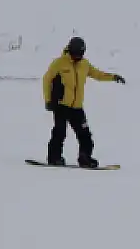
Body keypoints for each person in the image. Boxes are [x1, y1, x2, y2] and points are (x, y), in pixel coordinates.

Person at [42, 36, 125, 167]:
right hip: (61, 105)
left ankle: (85, 158)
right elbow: (46, 80)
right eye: (76, 54)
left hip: (77, 107)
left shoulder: (84, 64)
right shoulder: (59, 63)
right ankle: (54, 157)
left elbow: (98, 74)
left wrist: (113, 77)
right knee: (59, 132)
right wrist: (48, 100)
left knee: (85, 134)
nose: (78, 57)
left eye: (80, 54)